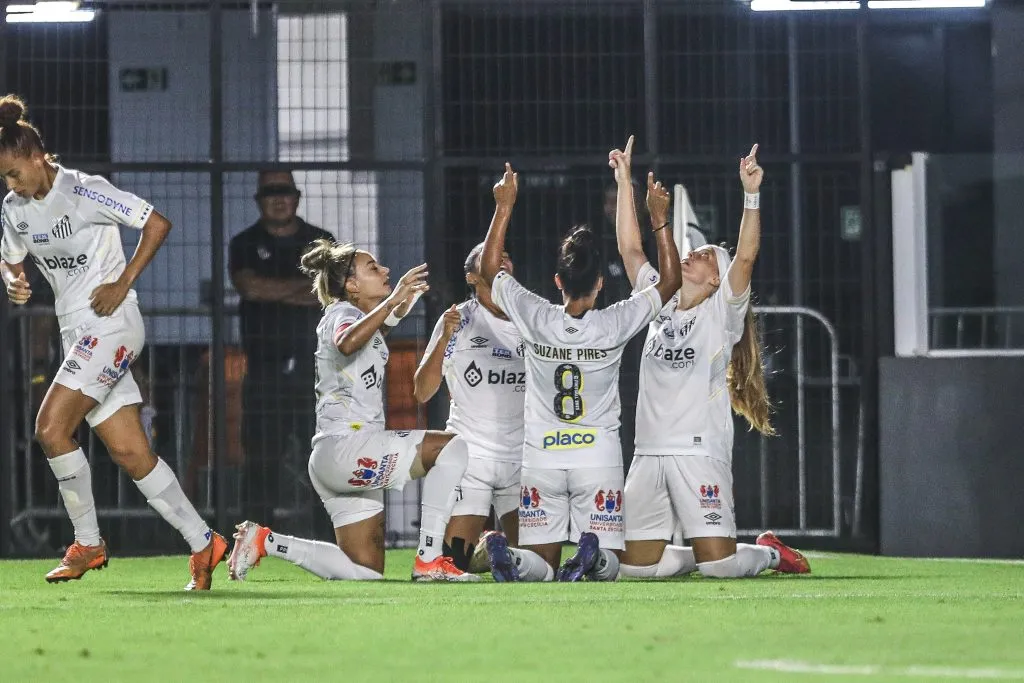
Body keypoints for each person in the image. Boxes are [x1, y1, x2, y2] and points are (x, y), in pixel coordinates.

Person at [0, 94, 227, 589]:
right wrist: (13, 280)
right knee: (131, 453)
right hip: (75, 334)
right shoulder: (15, 209)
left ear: (38, 156)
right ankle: (204, 542)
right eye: (5, 179)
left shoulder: (84, 191)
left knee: (51, 428)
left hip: (112, 324)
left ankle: (88, 543)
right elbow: (11, 257)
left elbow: (156, 223)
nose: (11, 184)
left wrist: (122, 282)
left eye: (15, 173)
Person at [477, 147, 682, 583]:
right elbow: (669, 283)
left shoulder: (535, 315)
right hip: (598, 457)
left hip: (541, 457)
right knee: (608, 570)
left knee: (542, 567)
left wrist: (504, 207)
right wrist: (659, 219)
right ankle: (592, 555)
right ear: (601, 283)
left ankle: (511, 558)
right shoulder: (614, 323)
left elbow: (488, 267)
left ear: (557, 281)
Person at [611, 139, 810, 579]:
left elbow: (747, 254)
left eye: (702, 256)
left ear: (718, 277)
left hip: (698, 453)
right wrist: (624, 181)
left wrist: (751, 194)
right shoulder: (660, 298)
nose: (690, 257)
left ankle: (771, 554)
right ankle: (698, 556)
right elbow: (630, 250)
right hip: (648, 453)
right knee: (636, 572)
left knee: (720, 568)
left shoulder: (722, 312)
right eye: (691, 253)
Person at [227, 239, 479, 582]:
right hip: (350, 448)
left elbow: (374, 333)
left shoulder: (355, 318)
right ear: (351, 285)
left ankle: (268, 542)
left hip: (335, 457)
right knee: (452, 448)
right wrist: (393, 299)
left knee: (365, 572)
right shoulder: (342, 313)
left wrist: (400, 304)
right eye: (373, 268)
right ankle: (430, 559)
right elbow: (348, 341)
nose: (386, 270)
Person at [228, 171, 334, 529]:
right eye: (270, 192)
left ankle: (330, 539)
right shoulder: (244, 243)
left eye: (284, 191)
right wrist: (302, 289)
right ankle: (253, 542)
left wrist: (275, 290)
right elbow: (250, 287)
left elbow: (328, 292)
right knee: (261, 462)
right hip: (264, 371)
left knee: (322, 457)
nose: (278, 198)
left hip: (314, 371)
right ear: (259, 198)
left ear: (297, 196)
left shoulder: (320, 241)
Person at [413, 243, 525, 572]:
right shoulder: (458, 320)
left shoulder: (530, 316)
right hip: (471, 456)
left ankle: (498, 550)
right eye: (491, 254)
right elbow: (422, 391)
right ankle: (488, 549)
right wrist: (443, 340)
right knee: (453, 563)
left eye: (507, 253)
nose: (502, 256)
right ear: (473, 276)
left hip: (521, 455)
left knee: (536, 563)